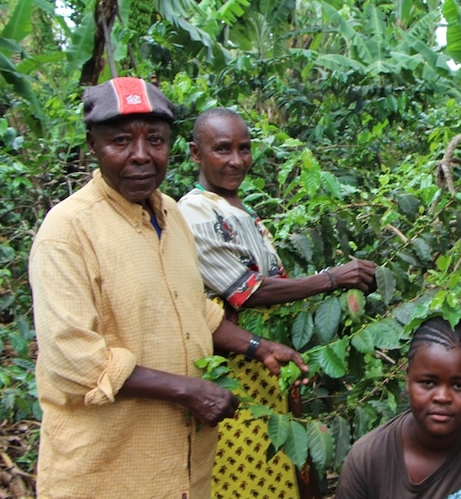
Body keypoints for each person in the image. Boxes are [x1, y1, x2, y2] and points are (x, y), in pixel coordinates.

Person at [29, 77, 308, 499]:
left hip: (184, 468)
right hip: (110, 472)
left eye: (154, 140)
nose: (140, 156)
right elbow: (73, 361)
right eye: (121, 141)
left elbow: (192, 309)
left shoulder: (172, 215)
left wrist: (259, 347)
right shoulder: (67, 231)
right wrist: (188, 390)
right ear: (92, 145)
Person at [177, 107, 377, 498]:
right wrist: (332, 279)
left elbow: (273, 287)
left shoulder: (238, 210)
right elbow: (248, 290)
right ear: (195, 154)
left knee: (280, 466)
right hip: (232, 371)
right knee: (245, 469)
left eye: (244, 148)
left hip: (268, 366)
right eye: (222, 149)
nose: (236, 161)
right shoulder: (195, 212)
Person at [334, 316, 461, 499]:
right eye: (428, 383)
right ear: (408, 380)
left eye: (459, 385)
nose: (442, 397)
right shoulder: (367, 458)